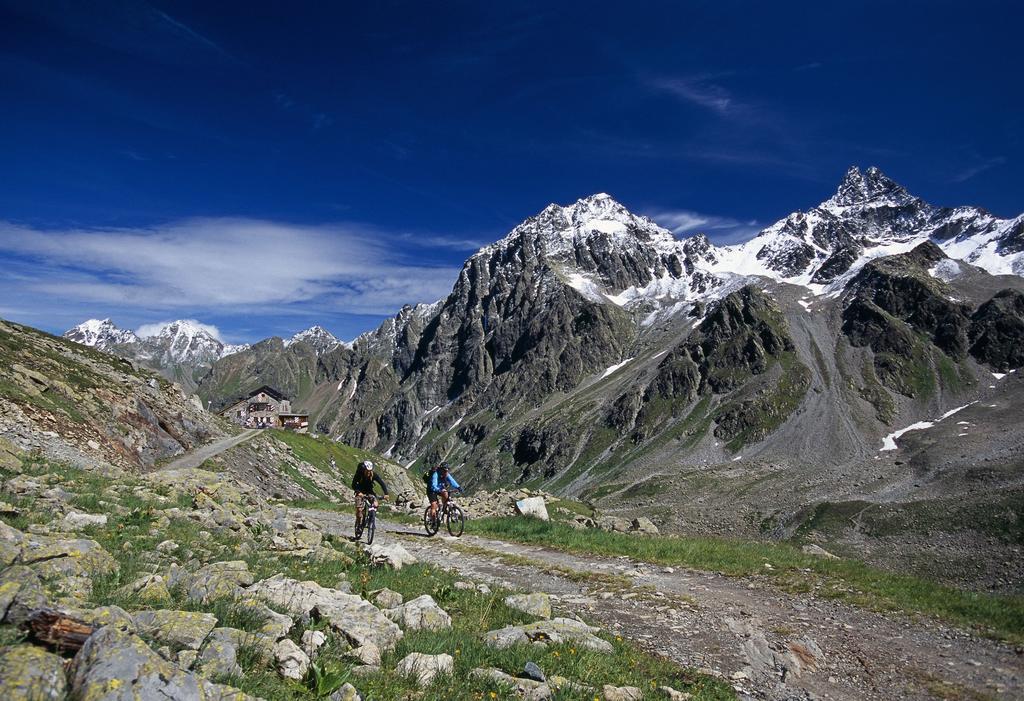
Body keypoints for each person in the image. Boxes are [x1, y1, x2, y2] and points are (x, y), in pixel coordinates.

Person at [351, 460, 388, 536]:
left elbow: (381, 483)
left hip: (370, 492)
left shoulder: (373, 475)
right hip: (360, 492)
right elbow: (353, 484)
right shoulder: (359, 474)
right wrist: (358, 492)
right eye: (367, 471)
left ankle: (371, 519)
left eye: (370, 471)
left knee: (376, 504)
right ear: (364, 469)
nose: (368, 472)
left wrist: (386, 494)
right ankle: (358, 524)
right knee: (359, 509)